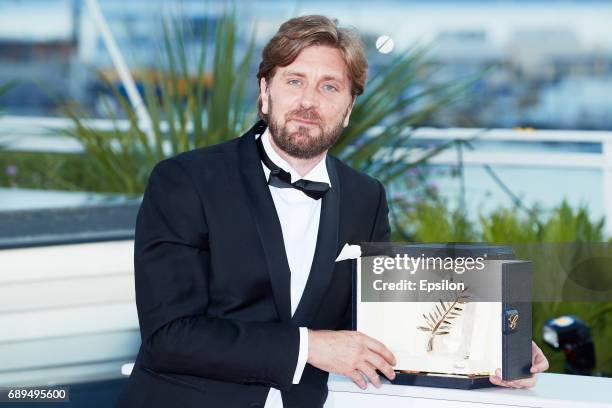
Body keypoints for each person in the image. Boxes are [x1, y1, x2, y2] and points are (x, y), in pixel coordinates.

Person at [116, 14, 548, 408]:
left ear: (348, 109)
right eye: (294, 81)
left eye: (329, 86)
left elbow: (381, 323)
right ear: (265, 93)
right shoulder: (185, 181)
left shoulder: (366, 196)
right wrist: (310, 347)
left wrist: (495, 350)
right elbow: (169, 337)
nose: (309, 101)